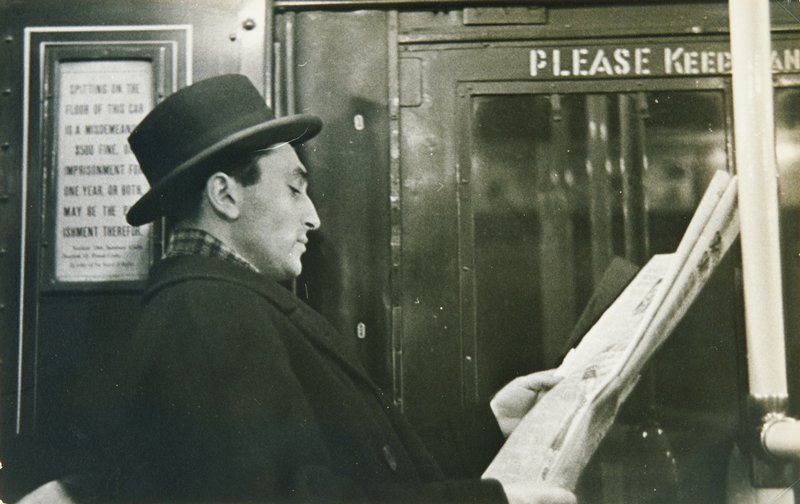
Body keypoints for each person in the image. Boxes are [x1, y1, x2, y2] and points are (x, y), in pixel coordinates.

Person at [91, 74, 576, 504]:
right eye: (294, 189)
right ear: (225, 195)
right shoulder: (207, 315)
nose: (313, 216)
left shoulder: (219, 304)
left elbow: (363, 470)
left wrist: (491, 423)